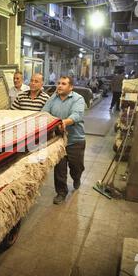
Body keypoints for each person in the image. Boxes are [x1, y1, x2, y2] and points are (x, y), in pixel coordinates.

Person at [42, 76, 86, 204]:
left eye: (64, 84)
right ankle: (61, 192)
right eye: (59, 83)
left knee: (76, 166)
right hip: (59, 140)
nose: (59, 86)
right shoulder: (53, 98)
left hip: (75, 140)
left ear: (71, 87)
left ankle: (76, 177)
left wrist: (64, 122)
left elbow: (77, 115)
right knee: (60, 169)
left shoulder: (78, 99)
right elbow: (44, 112)